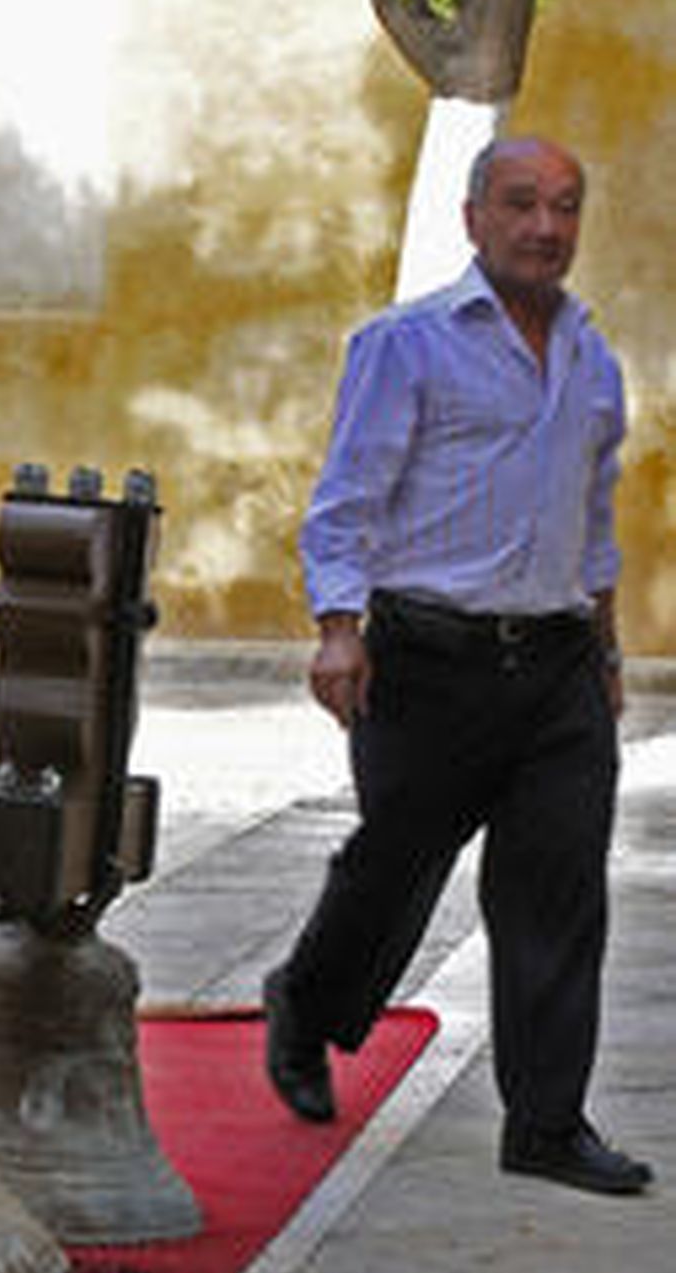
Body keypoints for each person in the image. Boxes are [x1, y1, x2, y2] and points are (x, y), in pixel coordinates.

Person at [263, 134, 652, 1196]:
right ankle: (304, 1004)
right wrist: (338, 627)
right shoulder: (409, 343)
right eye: (520, 203)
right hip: (428, 661)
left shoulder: (592, 357)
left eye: (564, 206)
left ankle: (544, 1124)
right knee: (393, 866)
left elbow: (591, 519)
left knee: (557, 891)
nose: (544, 226)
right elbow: (347, 499)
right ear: (474, 217)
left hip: (560, 668)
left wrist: (607, 651)